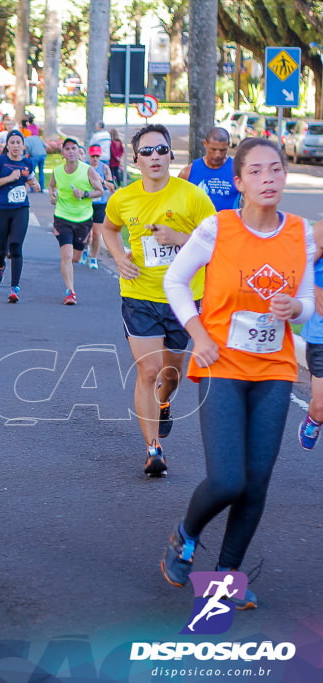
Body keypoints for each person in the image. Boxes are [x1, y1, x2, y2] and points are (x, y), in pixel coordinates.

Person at [160, 138, 314, 609]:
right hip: (222, 363)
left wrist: (296, 307)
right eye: (256, 172)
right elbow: (175, 281)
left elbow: (308, 307)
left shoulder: (302, 233)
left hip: (275, 368)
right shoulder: (217, 228)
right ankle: (184, 536)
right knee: (228, 480)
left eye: (276, 170)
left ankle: (226, 578)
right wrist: (198, 334)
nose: (268, 179)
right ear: (239, 182)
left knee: (257, 481)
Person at [101, 124, 216, 476]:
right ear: (135, 159)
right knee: (148, 370)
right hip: (140, 296)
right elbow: (108, 228)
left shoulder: (191, 196)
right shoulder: (123, 198)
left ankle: (164, 402)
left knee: (171, 373)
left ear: (171, 155)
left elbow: (217, 243)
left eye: (161, 150)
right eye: (147, 151)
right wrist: (119, 257)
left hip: (182, 299)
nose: (155, 157)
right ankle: (154, 449)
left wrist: (180, 237)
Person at [0, 130, 41, 303]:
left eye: (18, 142)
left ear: (23, 145)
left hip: (20, 208)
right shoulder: (0, 161)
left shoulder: (27, 163)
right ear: (7, 145)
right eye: (12, 142)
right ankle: (0, 266)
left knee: (16, 246)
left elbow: (30, 178)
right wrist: (9, 178)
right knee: (0, 248)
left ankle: (14, 288)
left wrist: (35, 184)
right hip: (0, 208)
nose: (16, 146)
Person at [47, 137, 103, 305]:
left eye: (74, 148)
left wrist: (84, 194)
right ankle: (70, 292)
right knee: (67, 254)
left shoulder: (88, 171)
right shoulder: (57, 171)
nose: (71, 151)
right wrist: (52, 195)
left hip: (83, 219)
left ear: (79, 152)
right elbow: (51, 185)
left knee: (76, 258)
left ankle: (74, 261)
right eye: (67, 149)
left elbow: (99, 191)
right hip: (62, 217)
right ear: (63, 152)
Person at [296, 218, 323, 449]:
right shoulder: (321, 232)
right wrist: (314, 290)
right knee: (321, 407)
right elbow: (296, 270)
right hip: (321, 334)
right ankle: (314, 419)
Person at [178, 127, 240, 212]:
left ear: (229, 145)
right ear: (205, 144)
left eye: (222, 150)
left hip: (228, 224)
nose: (217, 155)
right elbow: (178, 204)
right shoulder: (188, 172)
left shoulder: (238, 171)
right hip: (198, 224)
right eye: (213, 149)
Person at [83, 144, 115, 270]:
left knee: (96, 234)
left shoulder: (104, 168)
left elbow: (112, 188)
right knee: (87, 234)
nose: (95, 158)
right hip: (86, 203)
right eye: (93, 156)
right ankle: (85, 249)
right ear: (89, 156)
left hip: (100, 204)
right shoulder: (84, 167)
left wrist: (101, 181)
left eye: (97, 156)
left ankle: (93, 258)